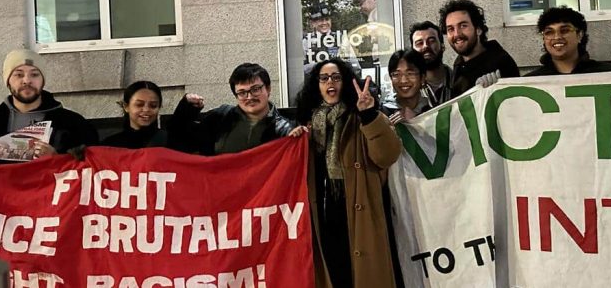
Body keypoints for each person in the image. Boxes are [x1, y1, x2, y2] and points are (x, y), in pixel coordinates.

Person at [294, 58, 401, 288]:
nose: (330, 82)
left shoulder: (361, 117)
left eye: (336, 77)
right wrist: (294, 140)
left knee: (361, 274)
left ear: (345, 82)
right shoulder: (309, 125)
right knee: (333, 272)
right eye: (324, 78)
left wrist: (369, 115)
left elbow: (387, 155)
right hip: (322, 212)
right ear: (316, 84)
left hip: (357, 206)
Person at [0, 49, 98, 163]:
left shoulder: (75, 125)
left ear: (43, 80)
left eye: (34, 75)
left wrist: (57, 159)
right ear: (8, 81)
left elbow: (91, 170)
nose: (27, 80)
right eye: (18, 75)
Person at [168, 63, 303, 155]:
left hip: (265, 196)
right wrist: (187, 108)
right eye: (242, 92)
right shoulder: (220, 117)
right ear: (236, 95)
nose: (249, 97)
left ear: (268, 89)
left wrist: (298, 137)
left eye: (255, 89)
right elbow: (179, 138)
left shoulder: (285, 129)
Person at [439, 0, 520, 97]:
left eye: (463, 26)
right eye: (450, 29)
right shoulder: (459, 65)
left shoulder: (501, 63)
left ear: (478, 30)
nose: (457, 34)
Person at [525, 7, 611, 76]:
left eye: (564, 30)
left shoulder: (609, 74)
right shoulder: (532, 81)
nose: (557, 37)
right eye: (549, 32)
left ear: (579, 35)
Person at [101, 81, 168, 149]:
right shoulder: (110, 146)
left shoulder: (170, 142)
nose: (146, 109)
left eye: (153, 106)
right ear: (126, 106)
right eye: (139, 105)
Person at [381, 49, 435, 124]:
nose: (403, 80)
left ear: (422, 78)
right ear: (391, 78)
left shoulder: (434, 112)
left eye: (410, 73)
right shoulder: (382, 113)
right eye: (396, 74)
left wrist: (417, 122)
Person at [408, 21, 454, 105]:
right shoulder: (408, 90)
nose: (425, 46)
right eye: (419, 43)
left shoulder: (461, 81)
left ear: (442, 46)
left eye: (431, 41)